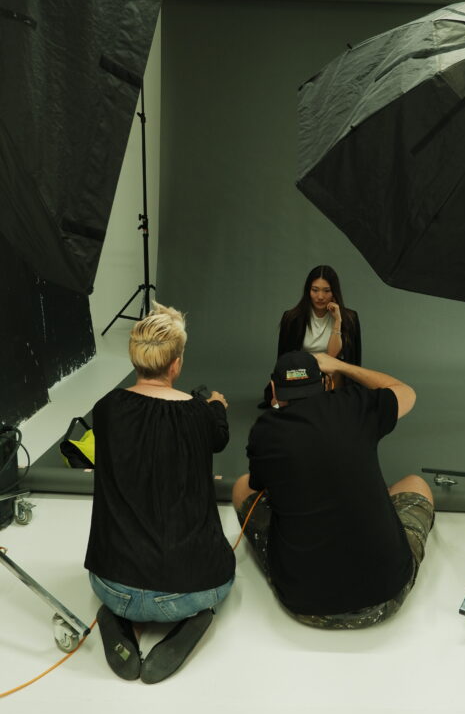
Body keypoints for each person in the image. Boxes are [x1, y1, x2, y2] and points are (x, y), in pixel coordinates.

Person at [84, 302, 235, 683]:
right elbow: (218, 437)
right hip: (192, 591)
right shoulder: (200, 415)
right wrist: (216, 407)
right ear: (176, 365)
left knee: (125, 593)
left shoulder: (105, 409)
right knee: (224, 575)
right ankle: (190, 623)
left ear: (136, 358)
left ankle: (120, 619)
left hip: (110, 585)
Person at [233, 350, 433, 629]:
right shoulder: (355, 405)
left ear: (275, 390)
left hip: (306, 604)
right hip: (386, 598)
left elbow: (260, 487)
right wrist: (341, 366)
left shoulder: (264, 431)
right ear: (325, 383)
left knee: (241, 486)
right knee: (415, 483)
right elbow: (405, 392)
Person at [277, 265, 361, 365]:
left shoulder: (350, 318)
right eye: (315, 290)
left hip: (333, 372)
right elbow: (282, 361)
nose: (320, 296)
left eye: (327, 291)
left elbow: (335, 357)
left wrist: (338, 321)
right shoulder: (291, 318)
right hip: (301, 372)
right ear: (308, 291)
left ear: (334, 292)